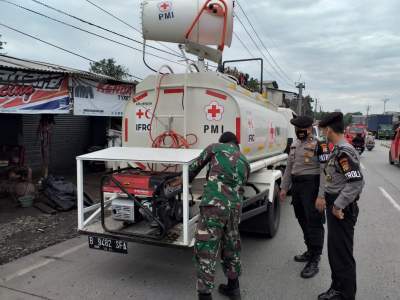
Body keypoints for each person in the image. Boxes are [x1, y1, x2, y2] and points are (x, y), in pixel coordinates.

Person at [190, 132, 250, 300]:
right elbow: (241, 184)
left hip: (214, 206)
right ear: (236, 144)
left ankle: (204, 296)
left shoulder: (215, 148)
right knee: (231, 245)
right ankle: (234, 288)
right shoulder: (245, 161)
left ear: (222, 142)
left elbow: (194, 167)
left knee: (206, 248)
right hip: (234, 209)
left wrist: (182, 182)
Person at [318, 112, 365, 300]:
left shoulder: (344, 151)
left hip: (342, 209)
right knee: (335, 251)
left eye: (323, 131)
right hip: (336, 205)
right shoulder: (338, 149)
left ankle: (345, 294)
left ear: (329, 130)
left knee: (342, 253)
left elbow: (356, 182)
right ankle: (337, 287)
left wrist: (337, 206)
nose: (323, 134)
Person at [280, 116, 330, 279]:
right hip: (297, 187)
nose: (297, 132)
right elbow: (289, 167)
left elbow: (325, 171)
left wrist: (321, 195)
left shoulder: (320, 145)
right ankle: (310, 250)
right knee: (302, 219)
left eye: (299, 129)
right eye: (295, 129)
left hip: (312, 186)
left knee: (314, 222)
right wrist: (284, 187)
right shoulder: (294, 144)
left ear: (308, 129)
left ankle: (315, 259)